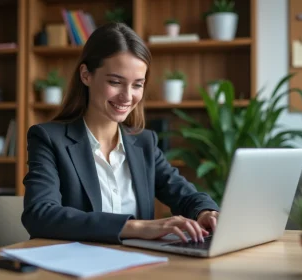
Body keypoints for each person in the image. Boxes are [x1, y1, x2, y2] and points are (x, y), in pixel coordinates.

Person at [22, 22, 220, 245]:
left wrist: (206, 212)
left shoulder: (144, 142)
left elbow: (184, 194)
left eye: (137, 85)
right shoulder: (48, 138)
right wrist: (136, 227)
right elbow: (39, 215)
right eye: (115, 82)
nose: (127, 97)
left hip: (138, 266)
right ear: (86, 75)